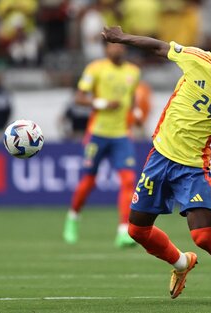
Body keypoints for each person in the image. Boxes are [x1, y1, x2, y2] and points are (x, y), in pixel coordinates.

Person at [102, 25, 211, 301]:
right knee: (136, 230)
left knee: (203, 236)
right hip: (159, 157)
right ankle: (181, 263)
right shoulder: (198, 59)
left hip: (193, 167)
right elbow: (159, 47)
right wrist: (122, 38)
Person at [63, 41, 140, 248]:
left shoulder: (133, 71)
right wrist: (103, 104)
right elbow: (79, 98)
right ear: (106, 49)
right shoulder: (95, 68)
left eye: (121, 46)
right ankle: (73, 218)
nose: (118, 49)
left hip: (122, 135)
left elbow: (131, 99)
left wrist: (137, 113)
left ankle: (123, 231)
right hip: (97, 133)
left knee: (128, 180)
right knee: (89, 180)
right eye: (113, 46)